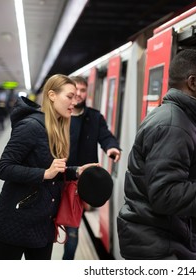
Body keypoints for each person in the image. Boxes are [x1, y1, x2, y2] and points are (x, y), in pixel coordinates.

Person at [117, 49, 196, 260]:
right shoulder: (173, 125)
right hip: (161, 249)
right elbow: (165, 195)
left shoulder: (175, 118)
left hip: (158, 242)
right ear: (193, 82)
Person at [0, 74, 99, 260]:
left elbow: (54, 172)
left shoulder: (57, 128)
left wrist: (77, 171)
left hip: (43, 225)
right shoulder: (31, 126)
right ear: (52, 95)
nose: (75, 101)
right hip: (15, 221)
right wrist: (44, 174)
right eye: (69, 96)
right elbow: (4, 168)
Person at [62, 75, 121, 260]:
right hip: (55, 180)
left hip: (79, 185)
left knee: (72, 231)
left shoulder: (94, 117)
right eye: (75, 90)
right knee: (48, 230)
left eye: (82, 90)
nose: (79, 94)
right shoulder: (59, 115)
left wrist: (111, 147)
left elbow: (106, 136)